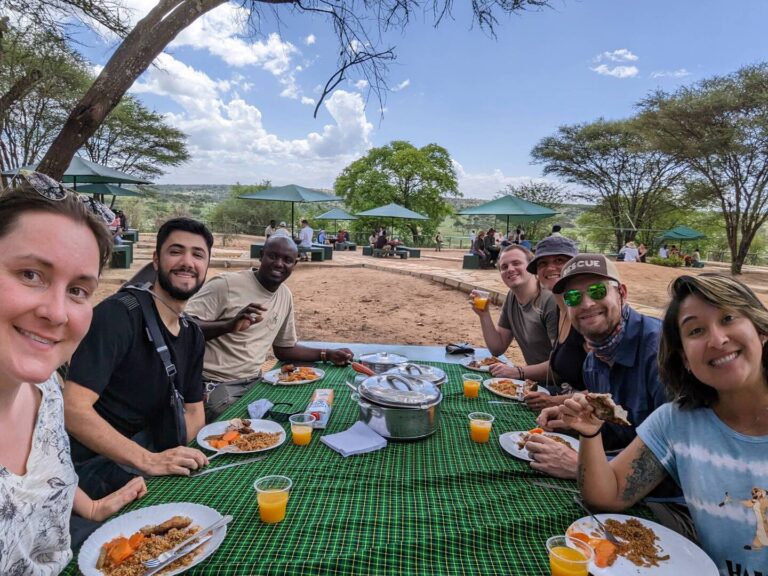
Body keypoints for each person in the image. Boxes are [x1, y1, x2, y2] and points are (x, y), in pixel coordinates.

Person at [563, 274, 768, 573]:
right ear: (684, 357)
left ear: (761, 330)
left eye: (728, 318)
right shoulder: (676, 421)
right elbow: (607, 494)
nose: (717, 339)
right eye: (696, 330)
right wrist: (590, 432)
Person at [0, 173, 146, 573]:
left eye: (78, 290)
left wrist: (93, 507)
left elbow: (46, 473)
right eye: (30, 274)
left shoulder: (45, 390)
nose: (57, 312)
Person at [65, 218, 214, 500]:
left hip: (150, 449)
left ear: (206, 266)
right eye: (175, 251)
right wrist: (148, 461)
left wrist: (186, 461)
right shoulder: (119, 315)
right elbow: (72, 409)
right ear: (156, 261)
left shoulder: (192, 333)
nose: (187, 261)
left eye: (197, 254)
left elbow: (194, 412)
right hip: (93, 462)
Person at [186, 235, 354, 419]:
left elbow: (284, 349)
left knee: (306, 409)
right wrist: (228, 326)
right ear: (261, 255)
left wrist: (327, 354)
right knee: (246, 429)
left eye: (287, 260)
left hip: (256, 382)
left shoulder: (284, 295)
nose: (279, 264)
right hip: (215, 384)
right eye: (273, 256)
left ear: (295, 264)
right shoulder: (226, 285)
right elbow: (182, 329)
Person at [534, 254, 667, 479]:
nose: (586, 304)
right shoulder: (593, 363)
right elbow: (622, 429)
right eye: (573, 297)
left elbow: (678, 453)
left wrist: (584, 467)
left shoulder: (662, 352)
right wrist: (576, 421)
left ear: (622, 293)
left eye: (598, 291)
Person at [471, 245, 558, 384]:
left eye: (516, 263)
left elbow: (563, 365)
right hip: (535, 382)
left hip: (562, 388)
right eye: (504, 267)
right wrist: (484, 314)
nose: (510, 269)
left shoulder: (550, 301)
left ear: (531, 267)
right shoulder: (512, 297)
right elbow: (497, 348)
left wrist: (518, 372)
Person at [521, 236, 586, 414]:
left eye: (559, 260)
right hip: (561, 403)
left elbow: (606, 390)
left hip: (587, 419)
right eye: (542, 263)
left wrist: (553, 401)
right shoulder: (560, 309)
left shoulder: (586, 314)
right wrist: (518, 372)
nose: (550, 268)